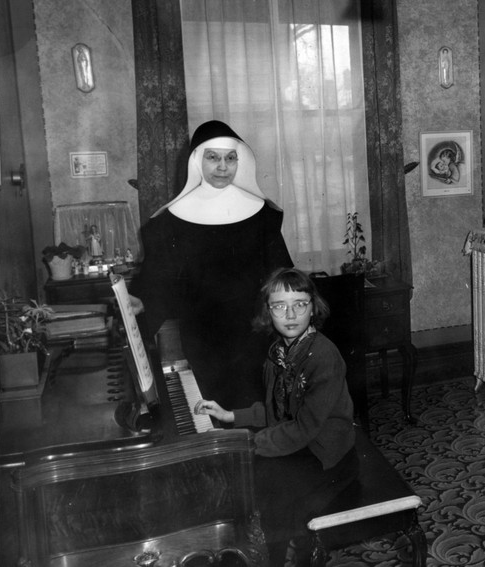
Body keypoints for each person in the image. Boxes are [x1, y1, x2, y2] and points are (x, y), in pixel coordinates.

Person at [194, 268, 358, 566]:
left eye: (300, 303)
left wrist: (251, 443)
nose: (291, 313)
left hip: (327, 452)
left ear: (313, 307)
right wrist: (231, 416)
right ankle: (271, 549)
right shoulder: (277, 353)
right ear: (268, 312)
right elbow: (276, 409)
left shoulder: (324, 356)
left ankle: (277, 557)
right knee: (263, 482)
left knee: (276, 491)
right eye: (280, 305)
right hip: (300, 440)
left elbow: (305, 426)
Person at [129, 120, 293, 409]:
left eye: (230, 158)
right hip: (203, 339)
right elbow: (160, 280)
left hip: (254, 335)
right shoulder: (172, 220)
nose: (222, 167)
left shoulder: (260, 214)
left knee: (255, 410)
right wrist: (141, 303)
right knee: (213, 415)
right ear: (196, 161)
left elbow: (281, 274)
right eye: (213, 157)